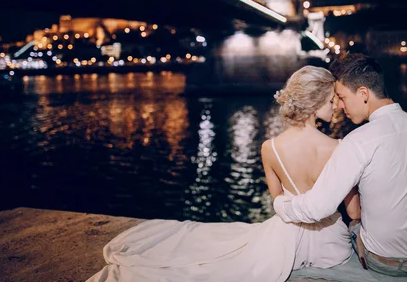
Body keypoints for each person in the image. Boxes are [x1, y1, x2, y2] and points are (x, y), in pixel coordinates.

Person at [86, 66, 359, 282]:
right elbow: (354, 211)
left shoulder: (270, 148)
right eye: (332, 99)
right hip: (330, 246)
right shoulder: (339, 147)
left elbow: (278, 201)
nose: (336, 105)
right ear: (316, 100)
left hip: (287, 239)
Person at [274, 53, 407, 280]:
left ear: (363, 94)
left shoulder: (359, 141)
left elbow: (316, 208)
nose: (339, 106)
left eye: (341, 97)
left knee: (350, 228)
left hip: (385, 264)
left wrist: (281, 204)